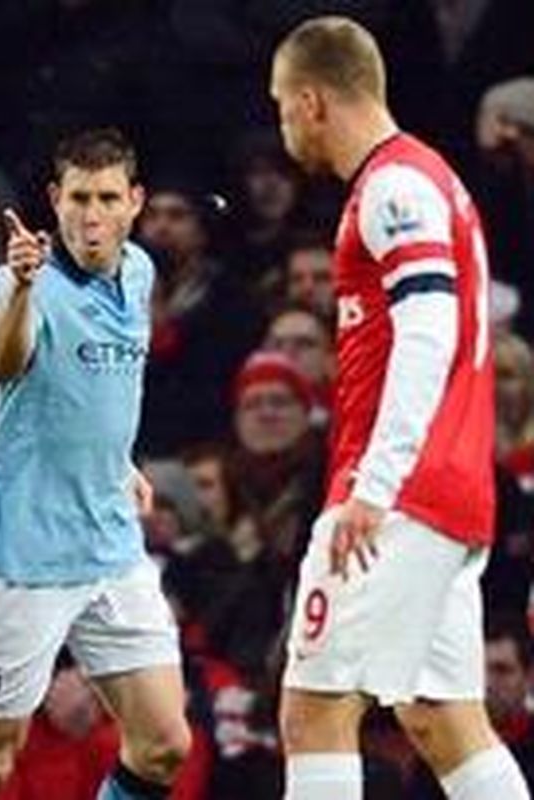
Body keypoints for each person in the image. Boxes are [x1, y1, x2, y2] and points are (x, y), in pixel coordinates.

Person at [269, 17, 527, 800]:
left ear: (313, 100)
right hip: (450, 487)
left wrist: (372, 490)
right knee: (441, 721)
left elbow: (429, 332)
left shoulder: (393, 187)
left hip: (400, 495)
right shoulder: (432, 180)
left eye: (282, 106)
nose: (281, 124)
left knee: (313, 711)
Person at [0, 128, 190, 800]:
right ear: (53, 200)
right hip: (21, 554)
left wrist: (117, 463)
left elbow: (102, 387)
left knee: (164, 746)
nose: (91, 215)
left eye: (107, 198)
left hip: (109, 545)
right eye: (78, 198)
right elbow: (4, 361)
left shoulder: (142, 271)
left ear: (135, 202)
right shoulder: (20, 278)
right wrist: (27, 289)